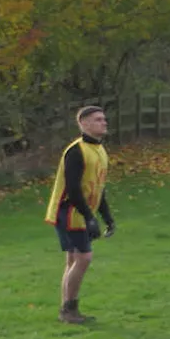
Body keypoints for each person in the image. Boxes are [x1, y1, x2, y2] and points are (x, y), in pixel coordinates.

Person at [44, 105, 115, 324]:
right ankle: (68, 309)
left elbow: (98, 188)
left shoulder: (100, 150)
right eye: (97, 119)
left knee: (74, 259)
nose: (103, 122)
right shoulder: (76, 151)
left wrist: (107, 217)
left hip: (80, 212)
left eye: (104, 119)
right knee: (84, 257)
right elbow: (73, 189)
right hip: (69, 211)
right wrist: (89, 217)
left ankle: (67, 310)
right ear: (83, 124)